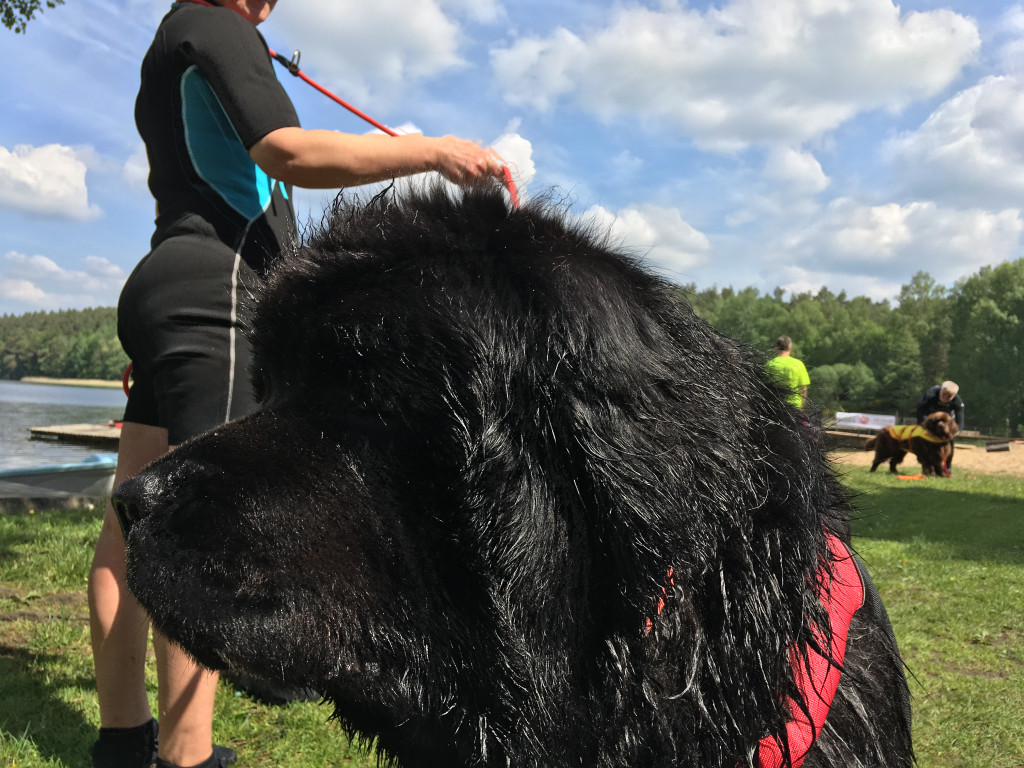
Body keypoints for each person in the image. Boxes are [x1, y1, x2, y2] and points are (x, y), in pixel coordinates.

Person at [86, 2, 510, 768]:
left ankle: (121, 743)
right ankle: (187, 756)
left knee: (129, 526)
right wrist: (433, 152)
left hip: (167, 285)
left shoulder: (171, 40)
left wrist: (159, 342)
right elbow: (287, 151)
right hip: (220, 286)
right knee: (197, 525)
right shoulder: (217, 25)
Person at [916, 380, 965, 472]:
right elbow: (921, 411)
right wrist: (925, 427)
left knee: (950, 443)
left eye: (949, 396)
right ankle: (927, 466)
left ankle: (948, 467)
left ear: (954, 396)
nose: (945, 397)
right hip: (931, 421)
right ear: (941, 389)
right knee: (924, 443)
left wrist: (956, 432)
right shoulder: (931, 394)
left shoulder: (957, 401)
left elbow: (960, 420)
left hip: (947, 422)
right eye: (944, 393)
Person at [765, 335, 811, 410]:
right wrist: (802, 407)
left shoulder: (769, 364)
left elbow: (765, 387)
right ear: (790, 348)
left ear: (776, 349)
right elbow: (804, 389)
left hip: (775, 408)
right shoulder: (798, 364)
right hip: (794, 408)